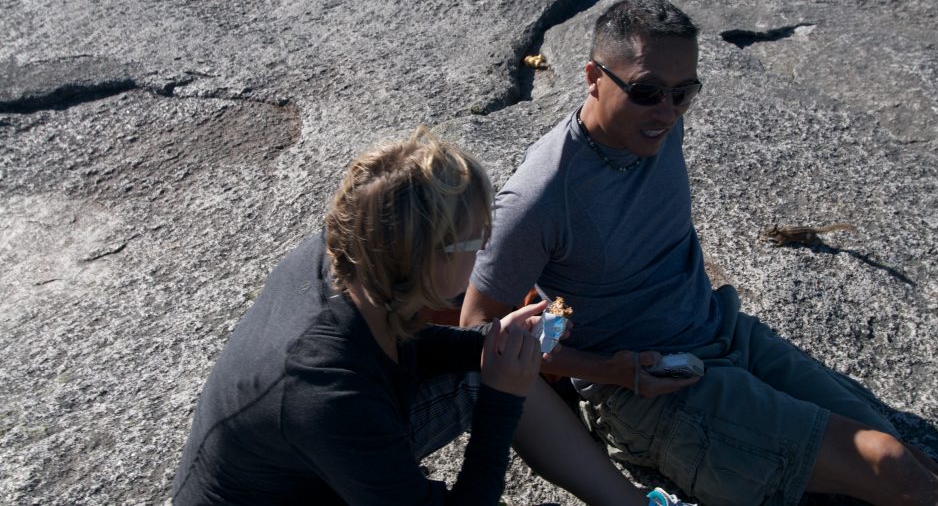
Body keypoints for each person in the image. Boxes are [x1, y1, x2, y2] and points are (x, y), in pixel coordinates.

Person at [461, 0, 938, 506]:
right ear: (593, 76)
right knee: (887, 464)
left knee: (907, 457)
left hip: (722, 330)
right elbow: (475, 334)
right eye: (647, 91)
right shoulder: (540, 195)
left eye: (684, 93)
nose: (667, 112)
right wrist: (616, 371)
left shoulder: (658, 126)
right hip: (649, 390)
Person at [173, 126, 648, 505]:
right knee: (494, 380)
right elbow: (352, 380)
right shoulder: (326, 392)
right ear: (430, 258)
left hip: (310, 461)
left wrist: (485, 341)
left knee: (492, 363)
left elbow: (394, 344)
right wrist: (502, 399)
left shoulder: (353, 252)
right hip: (294, 489)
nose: (487, 247)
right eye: (477, 237)